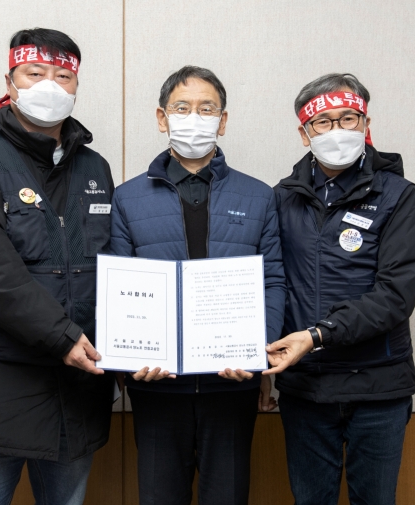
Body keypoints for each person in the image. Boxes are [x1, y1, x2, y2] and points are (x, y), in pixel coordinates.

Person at [0, 28, 115, 505]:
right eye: (34, 73)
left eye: (62, 75)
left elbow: (114, 264)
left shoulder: (94, 168)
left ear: (76, 85)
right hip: (1, 384)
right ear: (10, 81)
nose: (49, 85)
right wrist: (62, 336)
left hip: (78, 386)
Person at [110, 66, 285, 505]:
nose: (195, 117)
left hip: (232, 383)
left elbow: (273, 280)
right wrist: (129, 362)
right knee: (158, 496)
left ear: (223, 120)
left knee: (227, 496)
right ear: (161, 116)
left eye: (206, 108)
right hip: (155, 384)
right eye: (182, 108)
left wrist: (255, 353)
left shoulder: (259, 196)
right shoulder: (127, 197)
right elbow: (116, 284)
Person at [264, 73, 415, 505]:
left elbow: (396, 294)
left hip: (378, 388)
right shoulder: (281, 199)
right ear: (304, 133)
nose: (338, 130)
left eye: (349, 118)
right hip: (306, 389)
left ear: (365, 123)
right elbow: (271, 284)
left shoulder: (399, 196)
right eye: (324, 122)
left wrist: (318, 335)